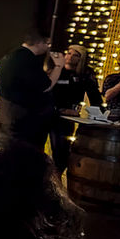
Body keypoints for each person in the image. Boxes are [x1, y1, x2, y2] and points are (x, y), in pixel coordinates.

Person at [0, 33, 63, 148]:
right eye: (47, 44)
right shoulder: (28, 59)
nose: (48, 47)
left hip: (7, 114)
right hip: (23, 119)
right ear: (38, 43)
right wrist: (58, 66)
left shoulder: (10, 56)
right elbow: (46, 86)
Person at [49, 45, 102, 173]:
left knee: (62, 154)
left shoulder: (85, 74)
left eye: (75, 55)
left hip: (68, 117)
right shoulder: (56, 70)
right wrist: (60, 110)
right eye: (68, 53)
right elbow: (47, 93)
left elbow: (95, 97)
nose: (70, 57)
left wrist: (100, 115)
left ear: (81, 59)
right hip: (50, 112)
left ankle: (55, 180)